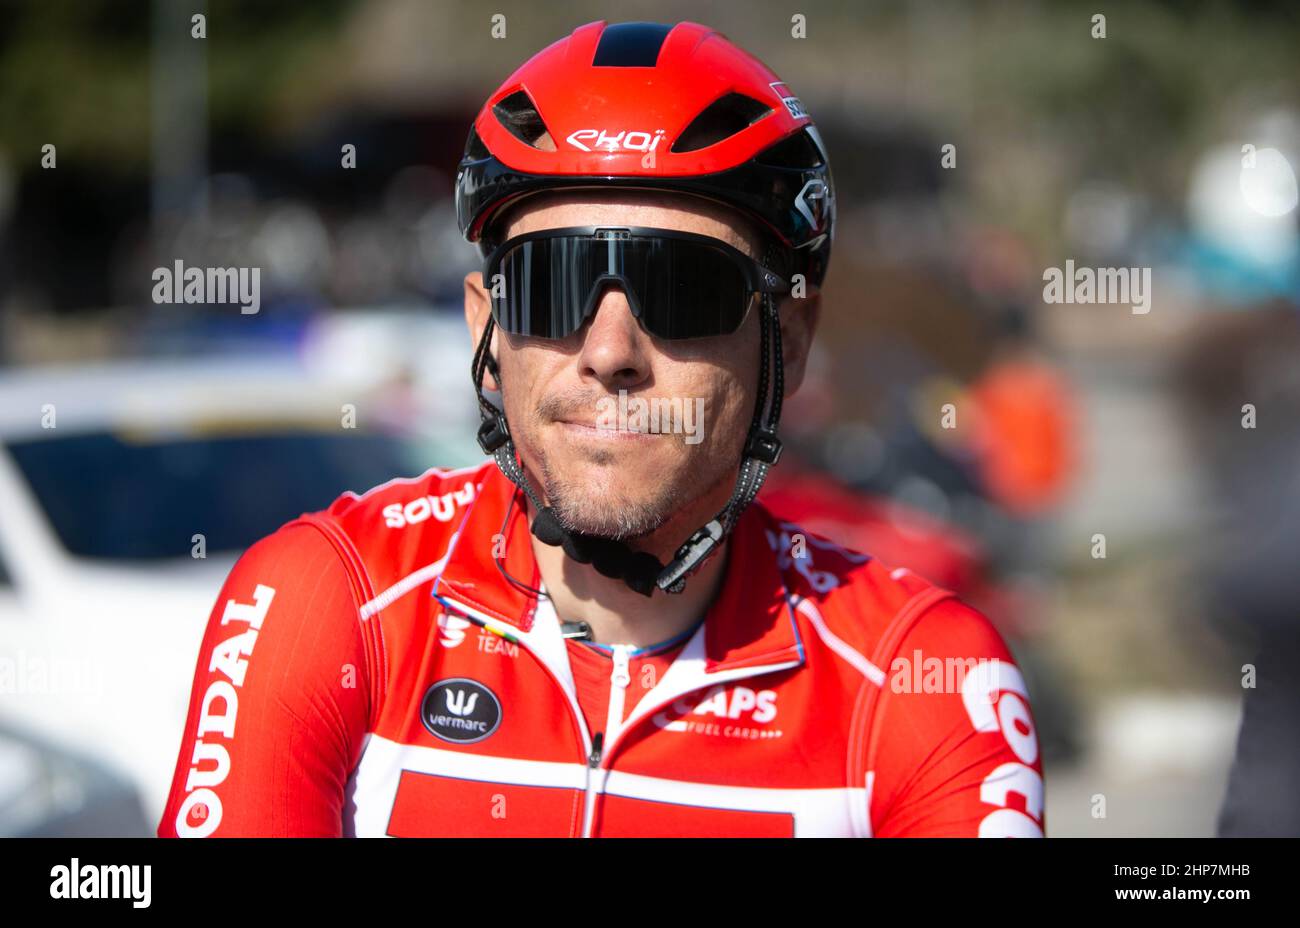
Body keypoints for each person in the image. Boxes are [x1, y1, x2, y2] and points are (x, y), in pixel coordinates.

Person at [157, 20, 1044, 838]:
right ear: (486, 330)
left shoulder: (921, 676)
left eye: (684, 289)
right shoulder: (331, 602)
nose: (610, 351)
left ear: (793, 342)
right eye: (553, 283)